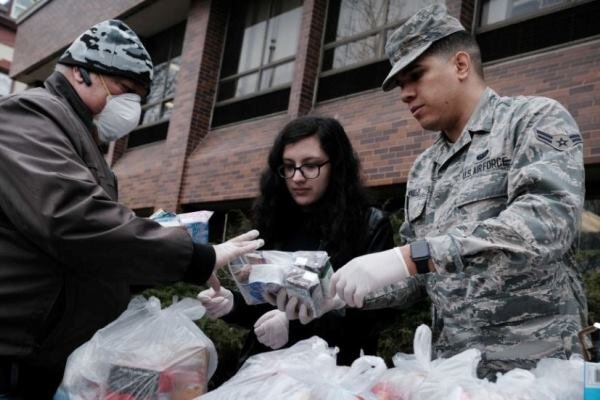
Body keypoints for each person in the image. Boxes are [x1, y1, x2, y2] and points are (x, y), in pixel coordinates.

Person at [0, 20, 262, 399]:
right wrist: (196, 257)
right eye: (124, 90)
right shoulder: (32, 114)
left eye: (139, 98)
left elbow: (92, 255)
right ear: (79, 71)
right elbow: (74, 219)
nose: (132, 109)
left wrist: (149, 260)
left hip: (40, 355)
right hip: (13, 353)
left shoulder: (78, 137)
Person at [328, 4, 587, 379]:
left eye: (415, 75)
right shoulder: (424, 168)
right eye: (400, 85)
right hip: (454, 372)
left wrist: (412, 255)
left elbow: (547, 224)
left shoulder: (532, 120)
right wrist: (336, 292)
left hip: (536, 370)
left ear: (461, 65)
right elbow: (416, 275)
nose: (405, 94)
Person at [198, 116, 395, 366]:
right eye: (288, 166)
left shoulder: (369, 225)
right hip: (268, 372)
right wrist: (232, 305)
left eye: (310, 166)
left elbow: (373, 317)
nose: (297, 177)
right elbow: (264, 307)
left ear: (337, 166)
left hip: (333, 374)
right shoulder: (273, 219)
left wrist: (296, 324)